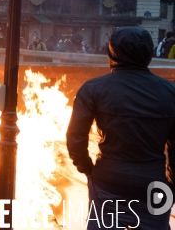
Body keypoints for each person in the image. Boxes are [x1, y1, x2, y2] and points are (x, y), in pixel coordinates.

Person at [66, 27, 175, 229]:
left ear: (112, 53)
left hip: (109, 178)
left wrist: (88, 170)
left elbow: (75, 139)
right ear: (149, 54)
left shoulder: (93, 89)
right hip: (153, 180)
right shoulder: (170, 92)